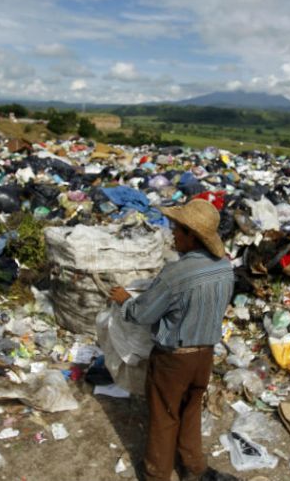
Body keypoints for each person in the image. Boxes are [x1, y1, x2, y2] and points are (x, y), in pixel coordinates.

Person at [109, 199, 236, 481]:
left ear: (193, 236)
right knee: (191, 410)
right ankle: (194, 468)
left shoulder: (175, 274)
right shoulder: (224, 268)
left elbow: (143, 314)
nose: (173, 234)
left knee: (164, 417)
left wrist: (125, 301)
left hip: (173, 360)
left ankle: (157, 474)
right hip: (204, 356)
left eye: (177, 229)